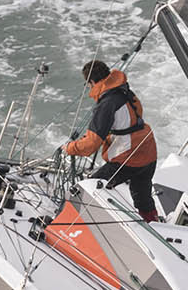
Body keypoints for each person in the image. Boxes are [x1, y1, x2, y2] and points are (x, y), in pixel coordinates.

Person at [62, 60, 159, 221]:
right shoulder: (124, 90)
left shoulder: (106, 104)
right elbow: (133, 117)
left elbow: (90, 146)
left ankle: (72, 224)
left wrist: (70, 148)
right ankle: (154, 224)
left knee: (91, 186)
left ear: (92, 82)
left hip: (129, 156)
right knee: (143, 199)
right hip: (148, 150)